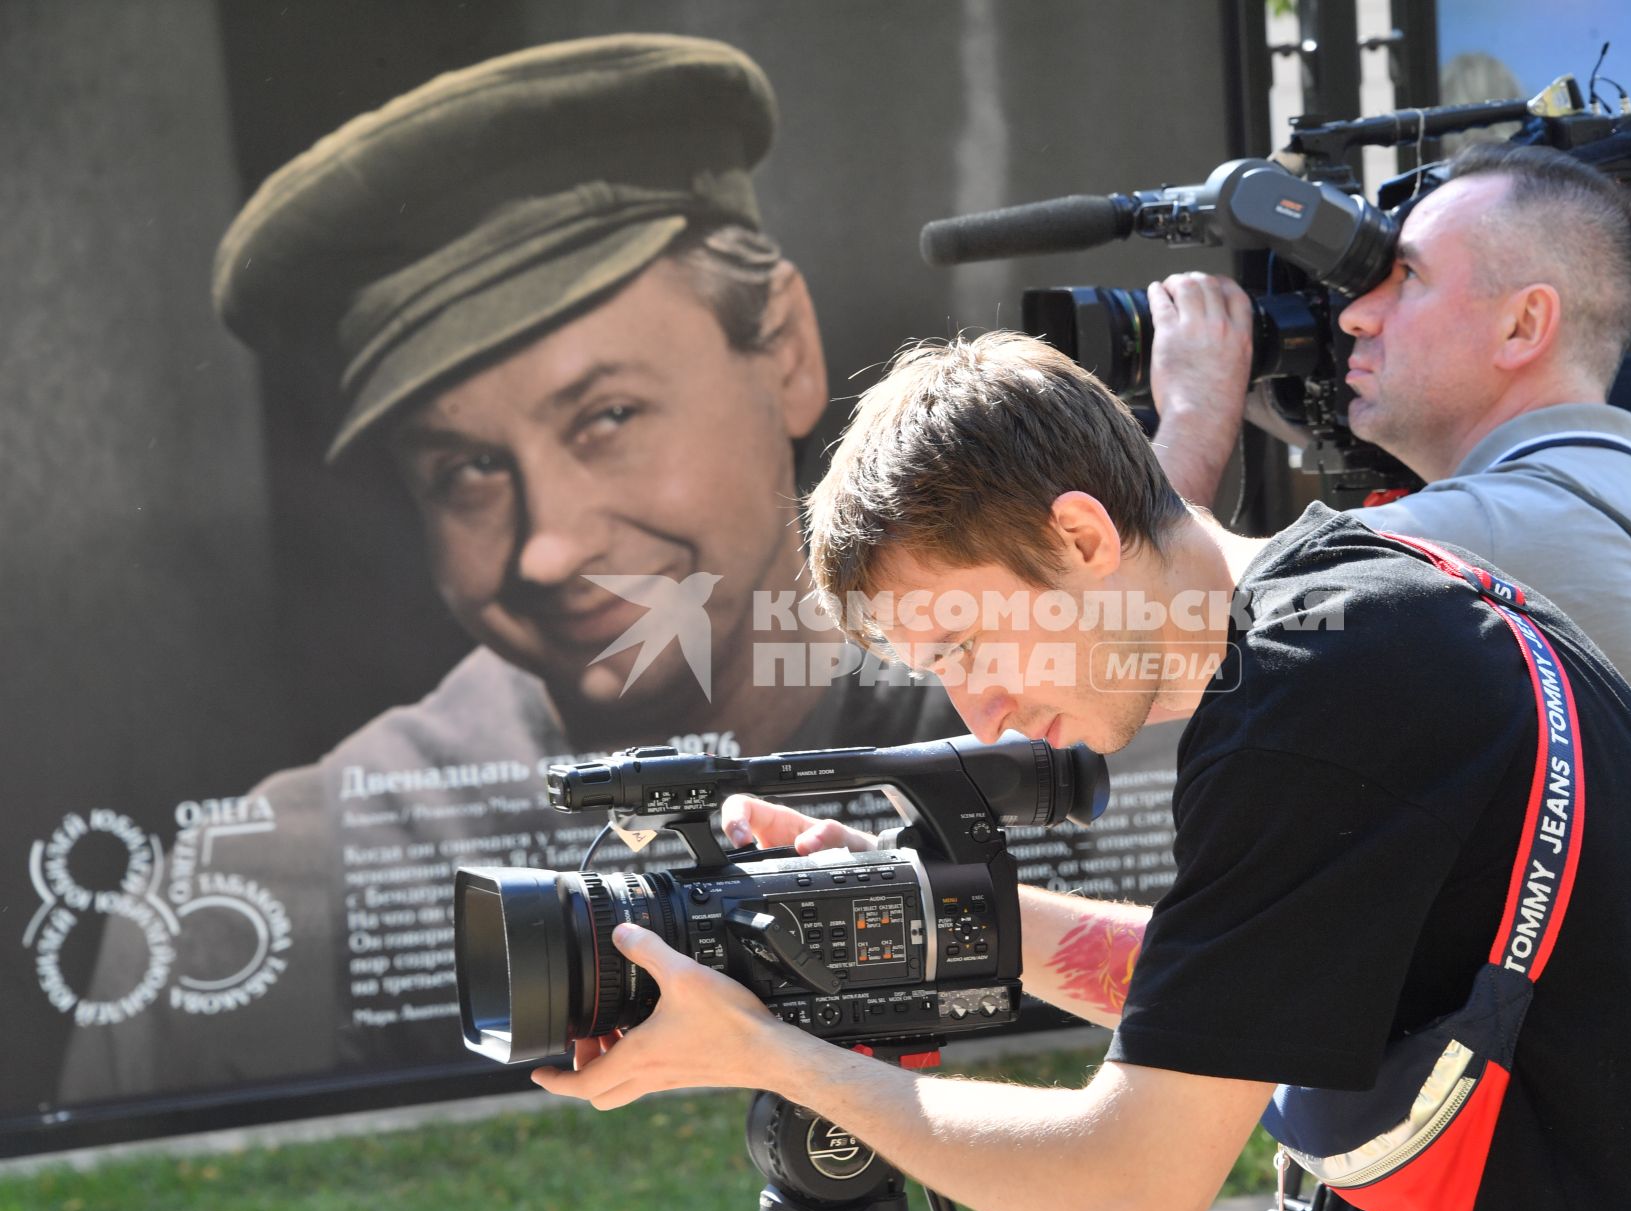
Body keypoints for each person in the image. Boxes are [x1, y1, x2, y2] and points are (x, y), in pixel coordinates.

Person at [532, 328, 1631, 1211]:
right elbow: (1239, 998)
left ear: (1079, 536)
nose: (977, 712)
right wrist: (937, 916)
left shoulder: (1324, 690)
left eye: (964, 646)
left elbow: (1130, 1192)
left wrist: (772, 1054)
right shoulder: (1365, 620)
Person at [61, 35, 1229, 1099]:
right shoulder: (272, 888)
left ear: (782, 346)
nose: (548, 544)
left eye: (608, 412)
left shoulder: (1139, 717)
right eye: (466, 465)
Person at [1160, 144, 1631, 949]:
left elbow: (1140, 630)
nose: (1356, 314)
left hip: (1501, 1073)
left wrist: (1195, 404)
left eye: (1408, 279)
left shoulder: (1432, 555)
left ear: (1524, 324)